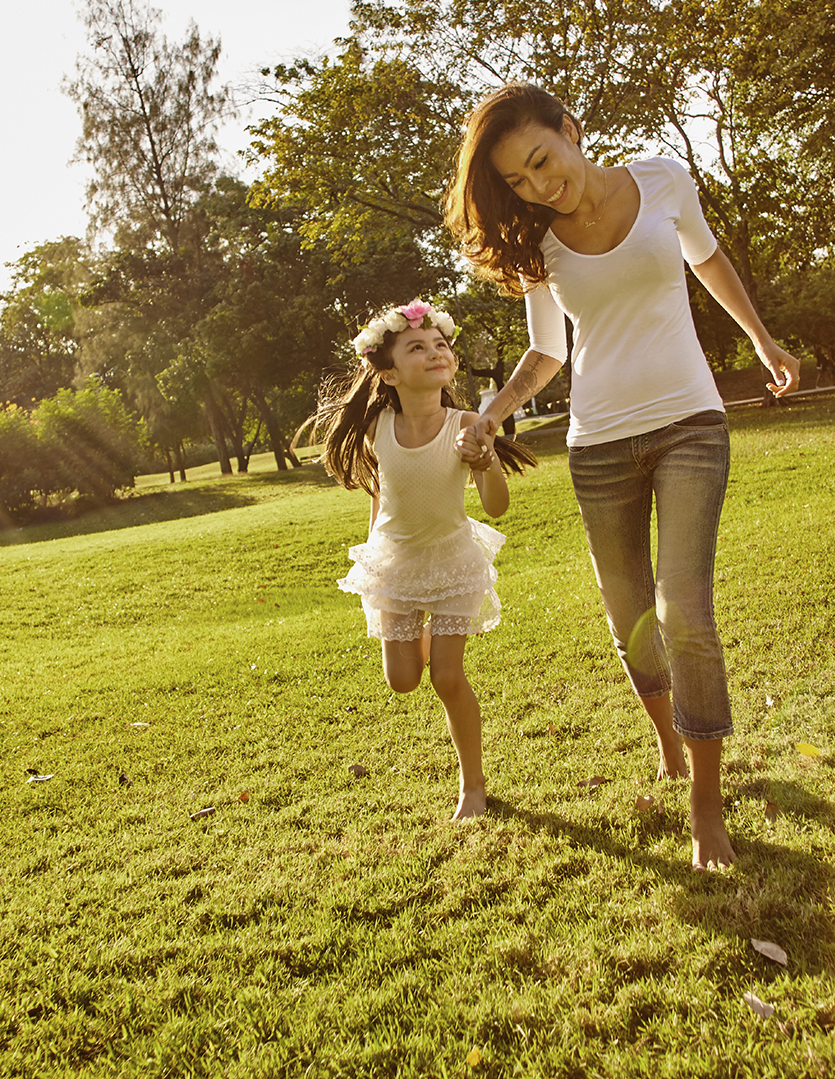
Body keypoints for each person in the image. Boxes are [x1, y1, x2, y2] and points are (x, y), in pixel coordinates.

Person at [444, 83, 800, 869]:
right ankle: (667, 746)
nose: (540, 186)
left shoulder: (665, 180)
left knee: (684, 610)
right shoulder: (538, 244)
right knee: (629, 612)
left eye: (542, 161)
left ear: (572, 130)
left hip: (690, 424)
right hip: (599, 443)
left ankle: (707, 807)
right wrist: (494, 411)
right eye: (518, 181)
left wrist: (765, 342)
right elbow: (548, 352)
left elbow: (709, 262)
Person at [303, 299, 537, 821]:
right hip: (395, 566)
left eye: (440, 345)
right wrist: (372, 565)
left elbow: (496, 506)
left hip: (452, 559)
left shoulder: (467, 422)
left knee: (447, 678)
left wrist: (487, 458)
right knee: (403, 679)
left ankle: (472, 787)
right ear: (387, 374)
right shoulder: (377, 429)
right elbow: (379, 498)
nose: (435, 353)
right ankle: (429, 635)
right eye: (417, 347)